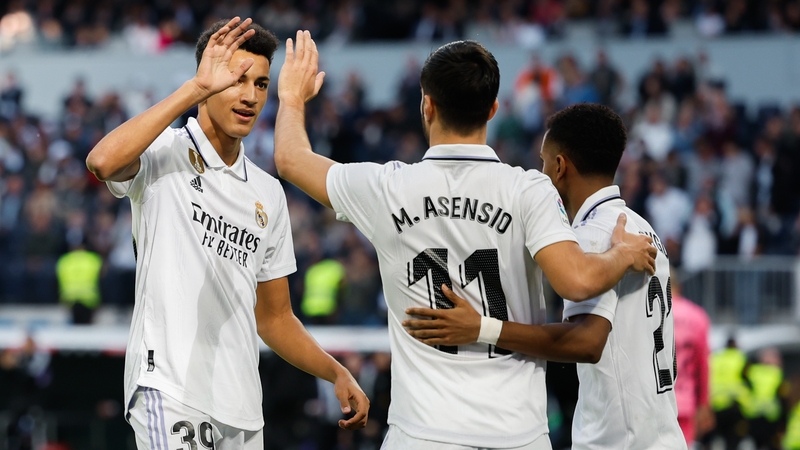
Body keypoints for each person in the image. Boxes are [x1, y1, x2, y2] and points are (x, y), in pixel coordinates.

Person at [273, 33, 657, 449]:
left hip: (421, 434)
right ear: (492, 109)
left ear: (427, 105)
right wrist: (622, 254)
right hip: (517, 435)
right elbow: (578, 283)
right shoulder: (528, 189)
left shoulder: (385, 187)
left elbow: (290, 159)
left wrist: (293, 98)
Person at [85, 17, 368, 449]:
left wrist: (335, 370)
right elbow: (102, 162)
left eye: (260, 84)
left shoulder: (267, 192)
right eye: (237, 80)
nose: (250, 95)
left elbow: (274, 318)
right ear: (208, 78)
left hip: (241, 408)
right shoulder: (165, 151)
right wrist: (193, 89)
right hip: (171, 388)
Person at [404, 103, 687, 449]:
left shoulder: (594, 236)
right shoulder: (640, 228)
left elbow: (586, 342)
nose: (540, 172)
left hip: (620, 441)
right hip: (661, 435)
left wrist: (481, 328)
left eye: (542, 161)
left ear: (559, 166)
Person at [672, 268, 714, 447]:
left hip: (656, 399)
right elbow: (702, 364)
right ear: (679, 286)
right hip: (685, 400)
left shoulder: (649, 313)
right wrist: (704, 404)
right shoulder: (697, 316)